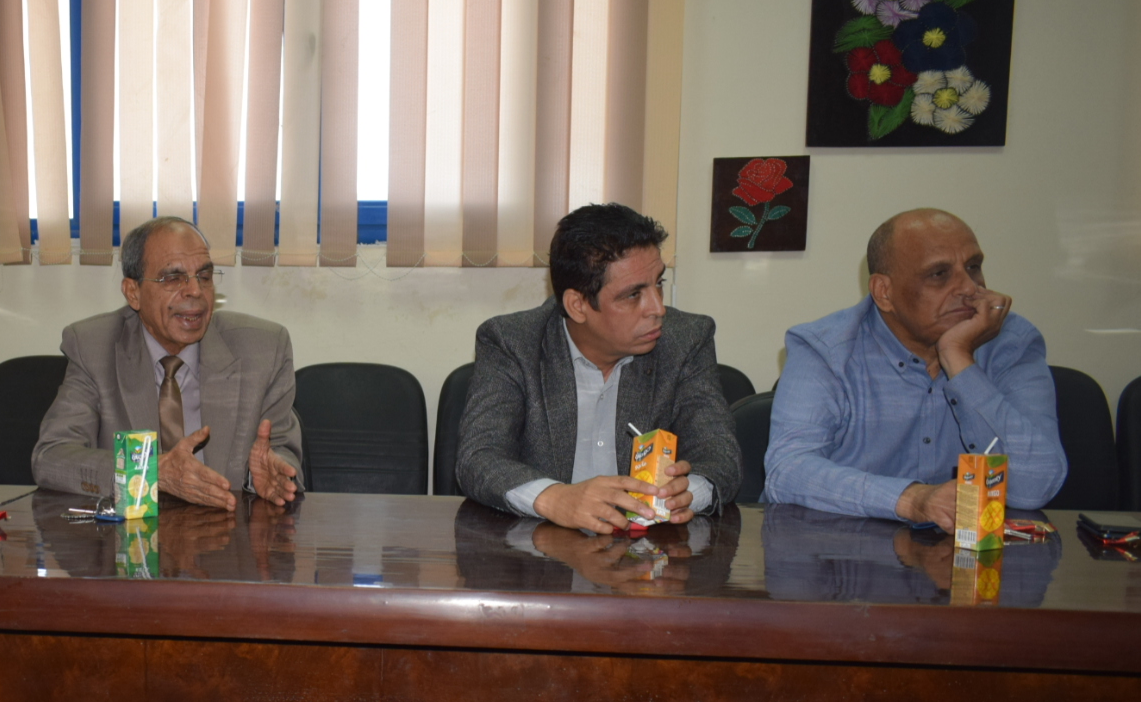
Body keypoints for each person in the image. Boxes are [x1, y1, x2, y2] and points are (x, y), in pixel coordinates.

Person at [762, 209, 1066, 529]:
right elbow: (787, 471)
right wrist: (913, 500)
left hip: (968, 553)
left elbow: (1035, 486)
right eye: (939, 274)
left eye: (973, 267)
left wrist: (959, 360)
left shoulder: (1012, 343)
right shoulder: (826, 350)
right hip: (846, 546)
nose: (969, 288)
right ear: (884, 292)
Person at [455, 203, 741, 532]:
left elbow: (720, 453)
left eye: (658, 283)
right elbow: (479, 457)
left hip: (649, 550)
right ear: (578, 305)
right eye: (633, 295)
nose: (658, 308)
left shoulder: (686, 339)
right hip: (542, 546)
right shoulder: (512, 342)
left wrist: (689, 493)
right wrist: (555, 499)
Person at [32, 216, 301, 510]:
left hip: (228, 532)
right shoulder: (94, 347)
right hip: (130, 535)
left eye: (204, 276)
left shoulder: (263, 351)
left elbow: (281, 452)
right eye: (173, 279)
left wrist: (264, 476)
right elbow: (51, 457)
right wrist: (151, 472)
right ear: (133, 293)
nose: (195, 291)